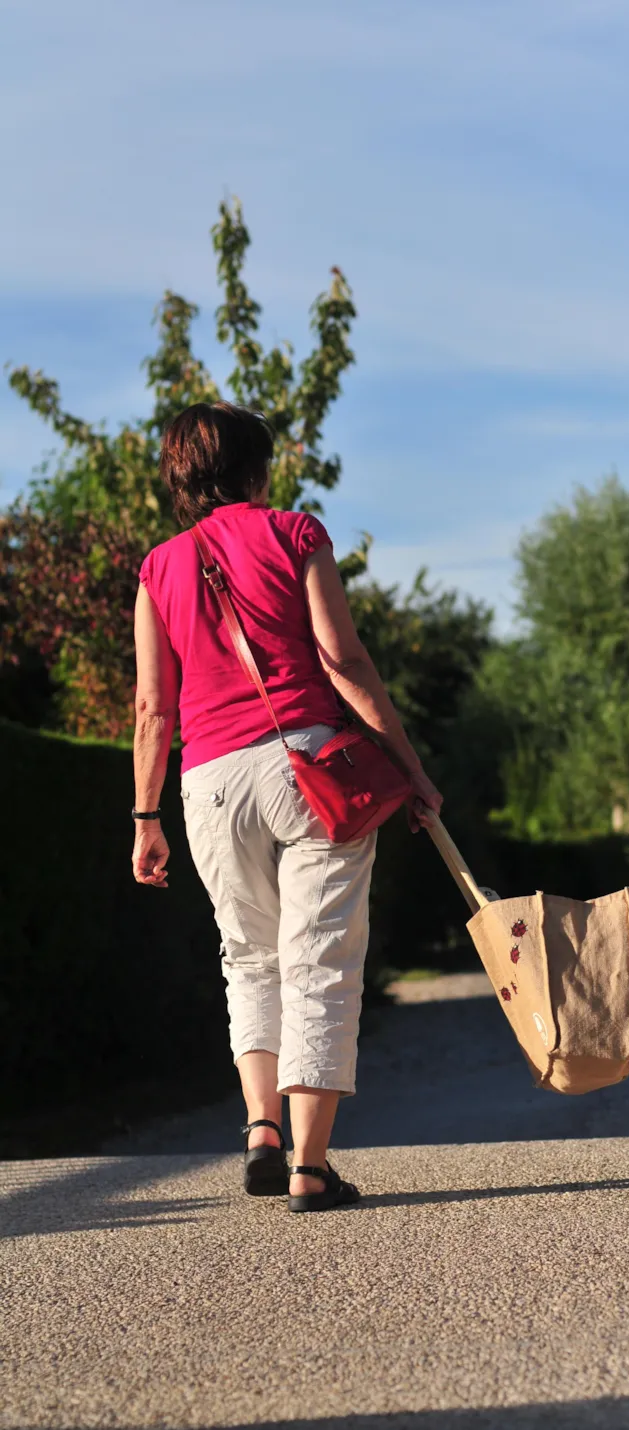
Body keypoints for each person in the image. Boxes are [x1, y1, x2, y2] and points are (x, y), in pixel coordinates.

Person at [132, 401, 442, 1211]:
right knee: (321, 961)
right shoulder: (294, 534)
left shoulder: (157, 568)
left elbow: (152, 709)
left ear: (178, 477)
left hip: (208, 784)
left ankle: (259, 1125)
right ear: (256, 470)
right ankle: (309, 1165)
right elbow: (342, 661)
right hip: (310, 768)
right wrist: (408, 767)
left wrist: (145, 817)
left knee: (249, 958)